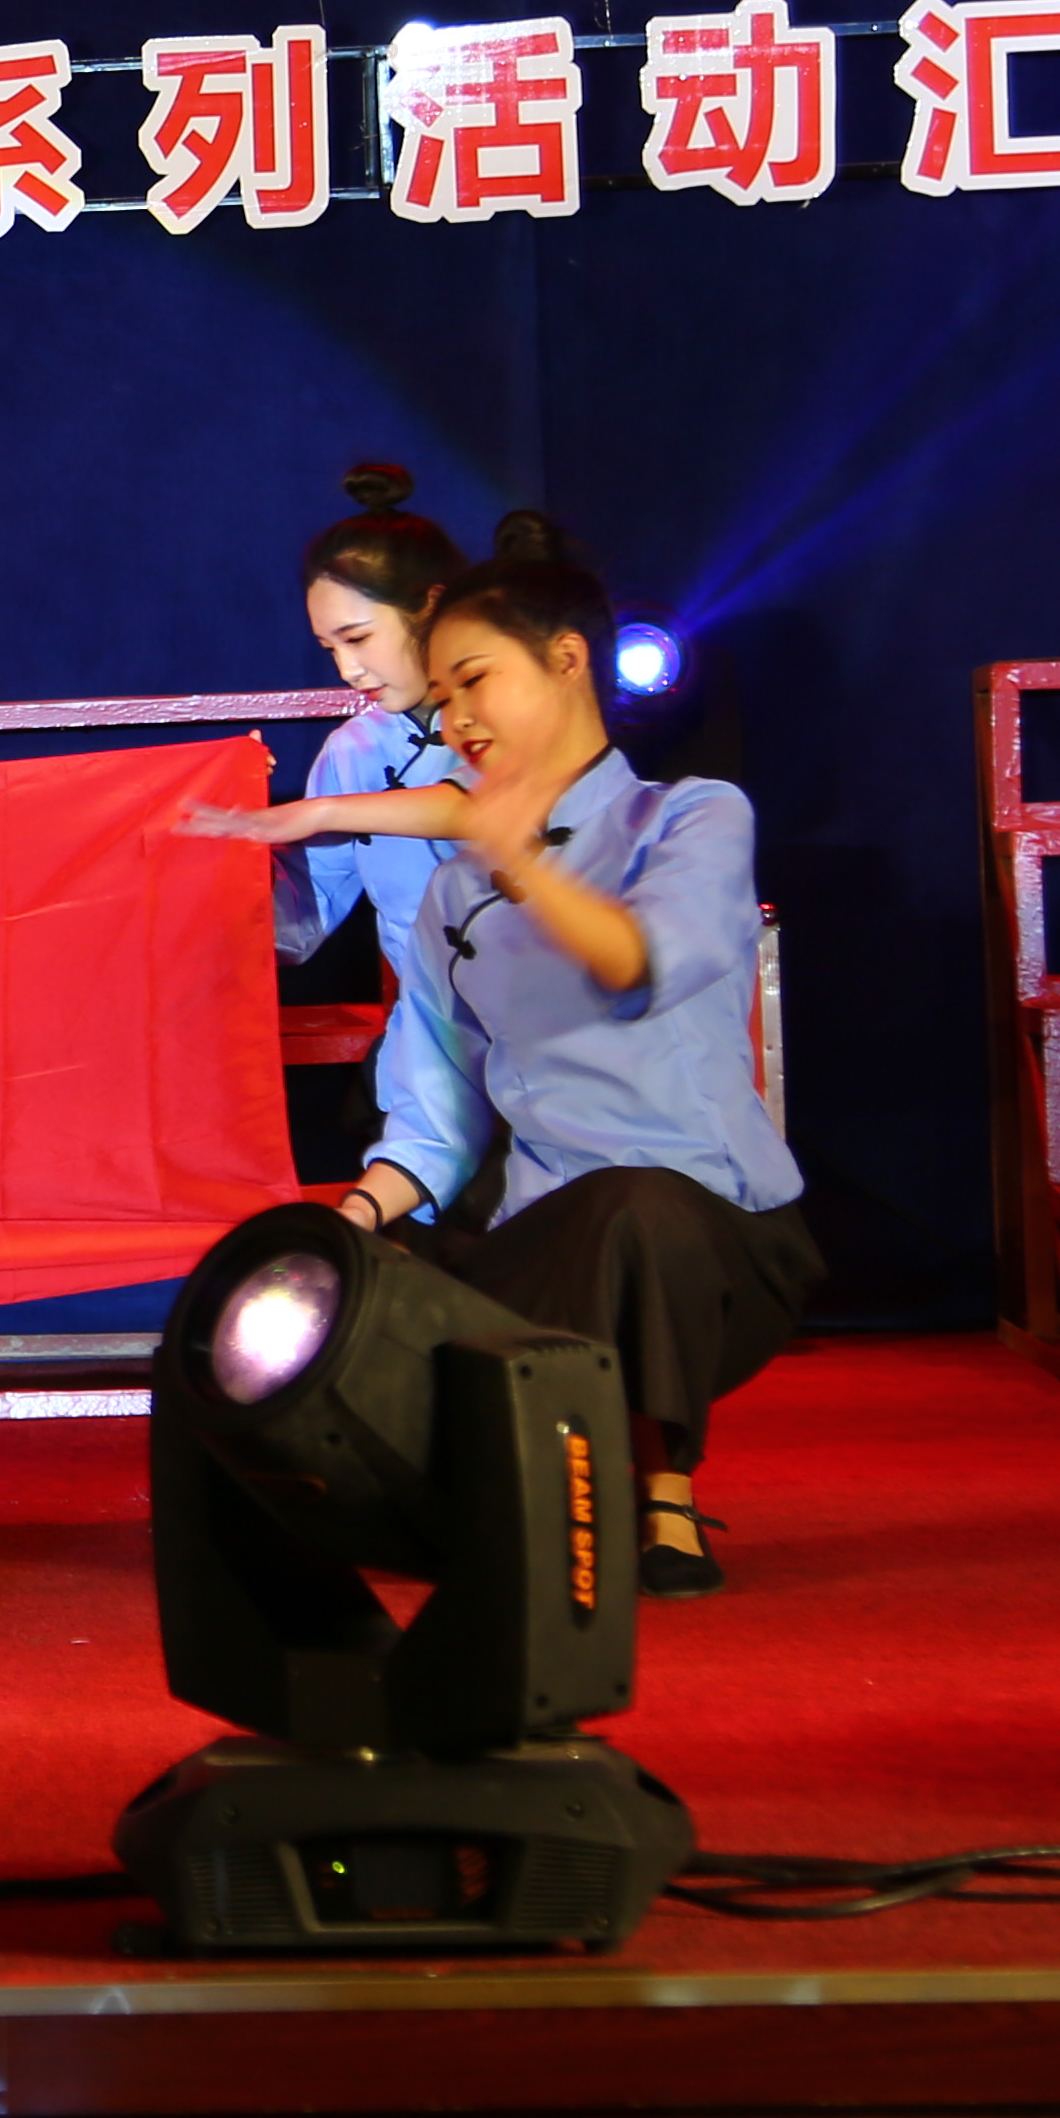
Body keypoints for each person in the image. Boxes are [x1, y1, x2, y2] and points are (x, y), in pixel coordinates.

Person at [321, 517, 814, 1596]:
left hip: (708, 1238)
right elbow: (441, 1111)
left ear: (567, 658)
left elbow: (639, 963)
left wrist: (523, 862)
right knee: (342, 1291)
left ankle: (653, 1495)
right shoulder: (454, 892)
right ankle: (484, 1494)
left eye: (475, 681)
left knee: (632, 1208)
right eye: (441, 696)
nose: (456, 720)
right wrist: (352, 1220)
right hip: (538, 1239)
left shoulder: (691, 818)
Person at [220, 463, 480, 972]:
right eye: (330, 648)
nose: (347, 670)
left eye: (357, 638)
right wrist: (237, 826)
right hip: (430, 1013)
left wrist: (324, 812)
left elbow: (487, 808)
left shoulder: (513, 718)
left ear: (431, 607)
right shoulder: (353, 749)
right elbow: (298, 918)